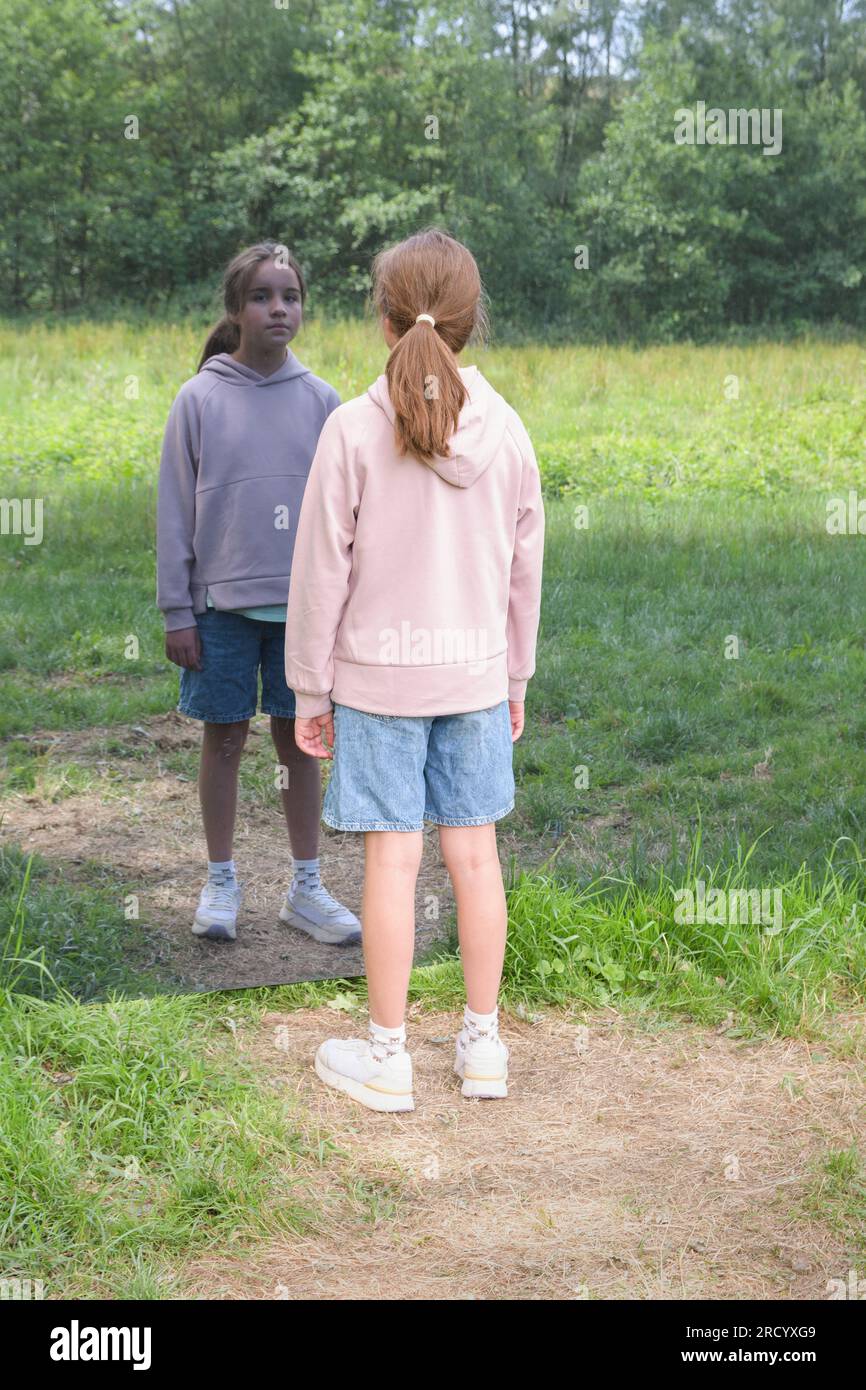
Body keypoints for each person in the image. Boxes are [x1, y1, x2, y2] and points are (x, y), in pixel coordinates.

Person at [285, 227, 545, 1111]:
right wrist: (514, 678)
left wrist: (309, 689)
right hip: (472, 681)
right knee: (477, 859)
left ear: (385, 318)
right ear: (469, 323)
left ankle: (388, 1057)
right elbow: (524, 569)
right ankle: (483, 1047)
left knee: (391, 865)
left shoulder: (352, 428)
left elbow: (321, 571)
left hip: (376, 685)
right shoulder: (507, 431)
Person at [156, 239, 360, 946]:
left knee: (301, 745)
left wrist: (344, 611)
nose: (278, 308)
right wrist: (177, 610)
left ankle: (307, 888)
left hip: (303, 613)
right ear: (236, 310)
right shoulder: (199, 399)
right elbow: (174, 511)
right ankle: (220, 882)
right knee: (224, 741)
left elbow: (345, 519)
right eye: (262, 296)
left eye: (291, 296)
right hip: (220, 613)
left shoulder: (323, 402)